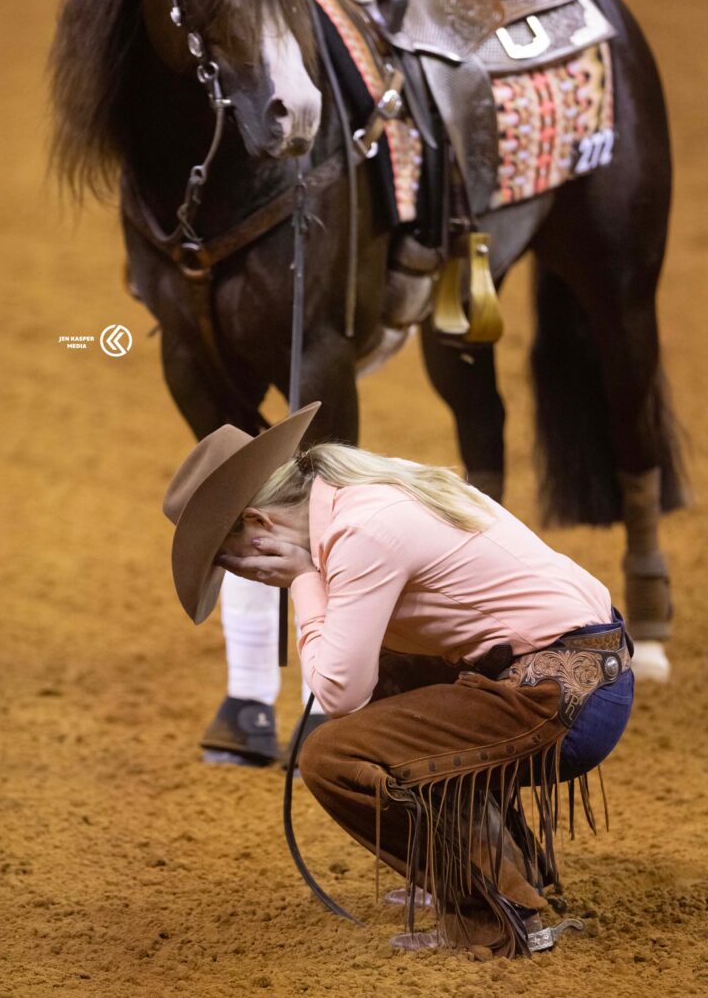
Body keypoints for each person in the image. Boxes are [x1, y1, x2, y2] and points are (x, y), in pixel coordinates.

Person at [163, 403, 634, 958]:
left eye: (235, 561)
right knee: (385, 669)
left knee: (328, 756)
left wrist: (304, 585)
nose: (247, 575)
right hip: (586, 679)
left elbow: (338, 693)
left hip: (565, 705)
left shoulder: (360, 533)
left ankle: (497, 914)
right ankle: (511, 868)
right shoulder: (362, 492)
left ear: (261, 525)